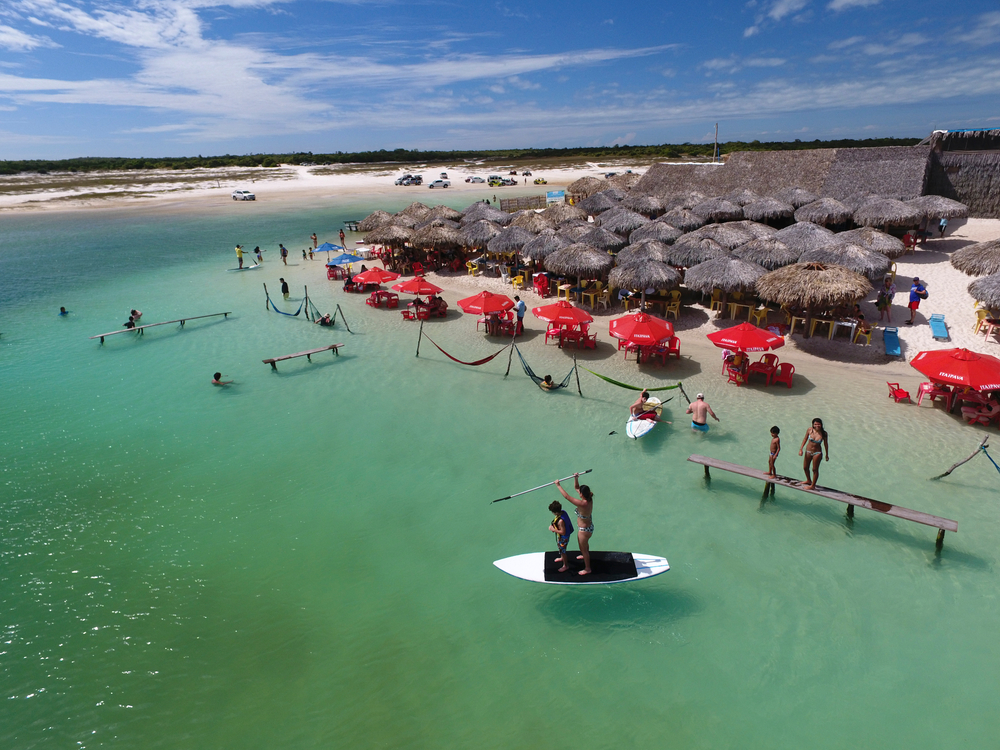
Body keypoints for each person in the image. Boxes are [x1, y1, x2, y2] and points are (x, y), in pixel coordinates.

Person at [554, 473, 594, 576]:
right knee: (584, 547)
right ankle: (584, 555)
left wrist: (558, 485)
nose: (578, 492)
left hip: (584, 530)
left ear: (581, 494)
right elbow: (576, 487)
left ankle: (587, 568)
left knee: (583, 549)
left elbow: (567, 497)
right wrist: (576, 478)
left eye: (579, 492)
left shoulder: (582, 503)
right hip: (588, 527)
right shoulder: (589, 498)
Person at [798, 418, 829, 489]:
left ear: (821, 425)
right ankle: (808, 480)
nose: (817, 425)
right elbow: (805, 439)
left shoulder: (824, 433)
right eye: (815, 424)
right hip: (808, 451)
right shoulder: (810, 430)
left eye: (818, 424)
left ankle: (813, 485)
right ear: (813, 425)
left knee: (815, 469)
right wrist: (801, 449)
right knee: (805, 467)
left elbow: (826, 444)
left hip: (817, 453)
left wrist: (827, 455)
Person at [547, 501, 574, 573]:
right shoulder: (563, 512)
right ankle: (562, 558)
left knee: (562, 551)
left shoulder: (561, 521)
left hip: (563, 537)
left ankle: (565, 565)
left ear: (556, 512)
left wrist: (553, 529)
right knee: (561, 549)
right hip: (563, 536)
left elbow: (563, 532)